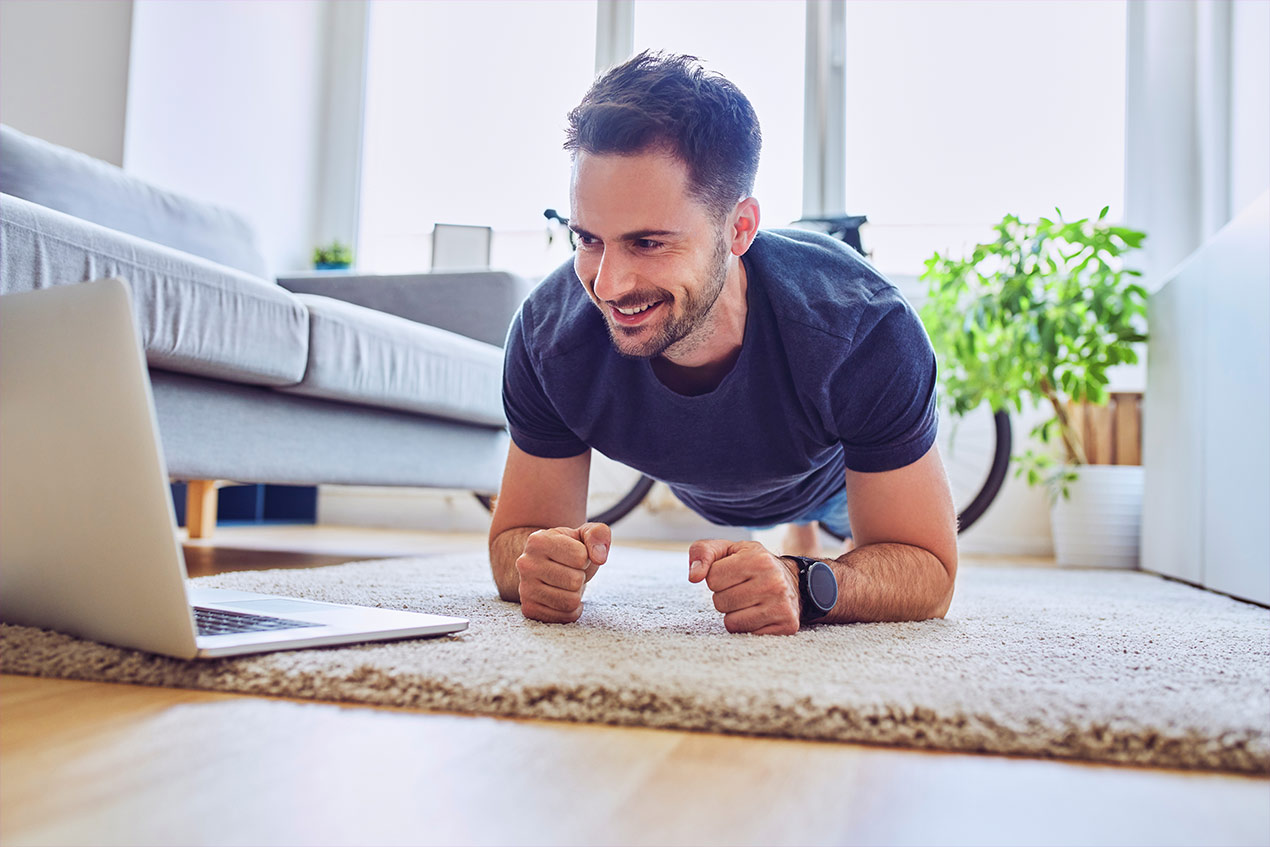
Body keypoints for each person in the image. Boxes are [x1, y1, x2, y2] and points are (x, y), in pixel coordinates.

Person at [488, 51, 957, 635]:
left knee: (829, 525)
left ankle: (803, 531)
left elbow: (929, 571)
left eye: (649, 243)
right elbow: (517, 540)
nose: (606, 285)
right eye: (587, 238)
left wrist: (800, 578)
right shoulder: (548, 338)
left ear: (739, 229)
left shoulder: (863, 331)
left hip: (829, 478)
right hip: (701, 489)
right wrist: (536, 564)